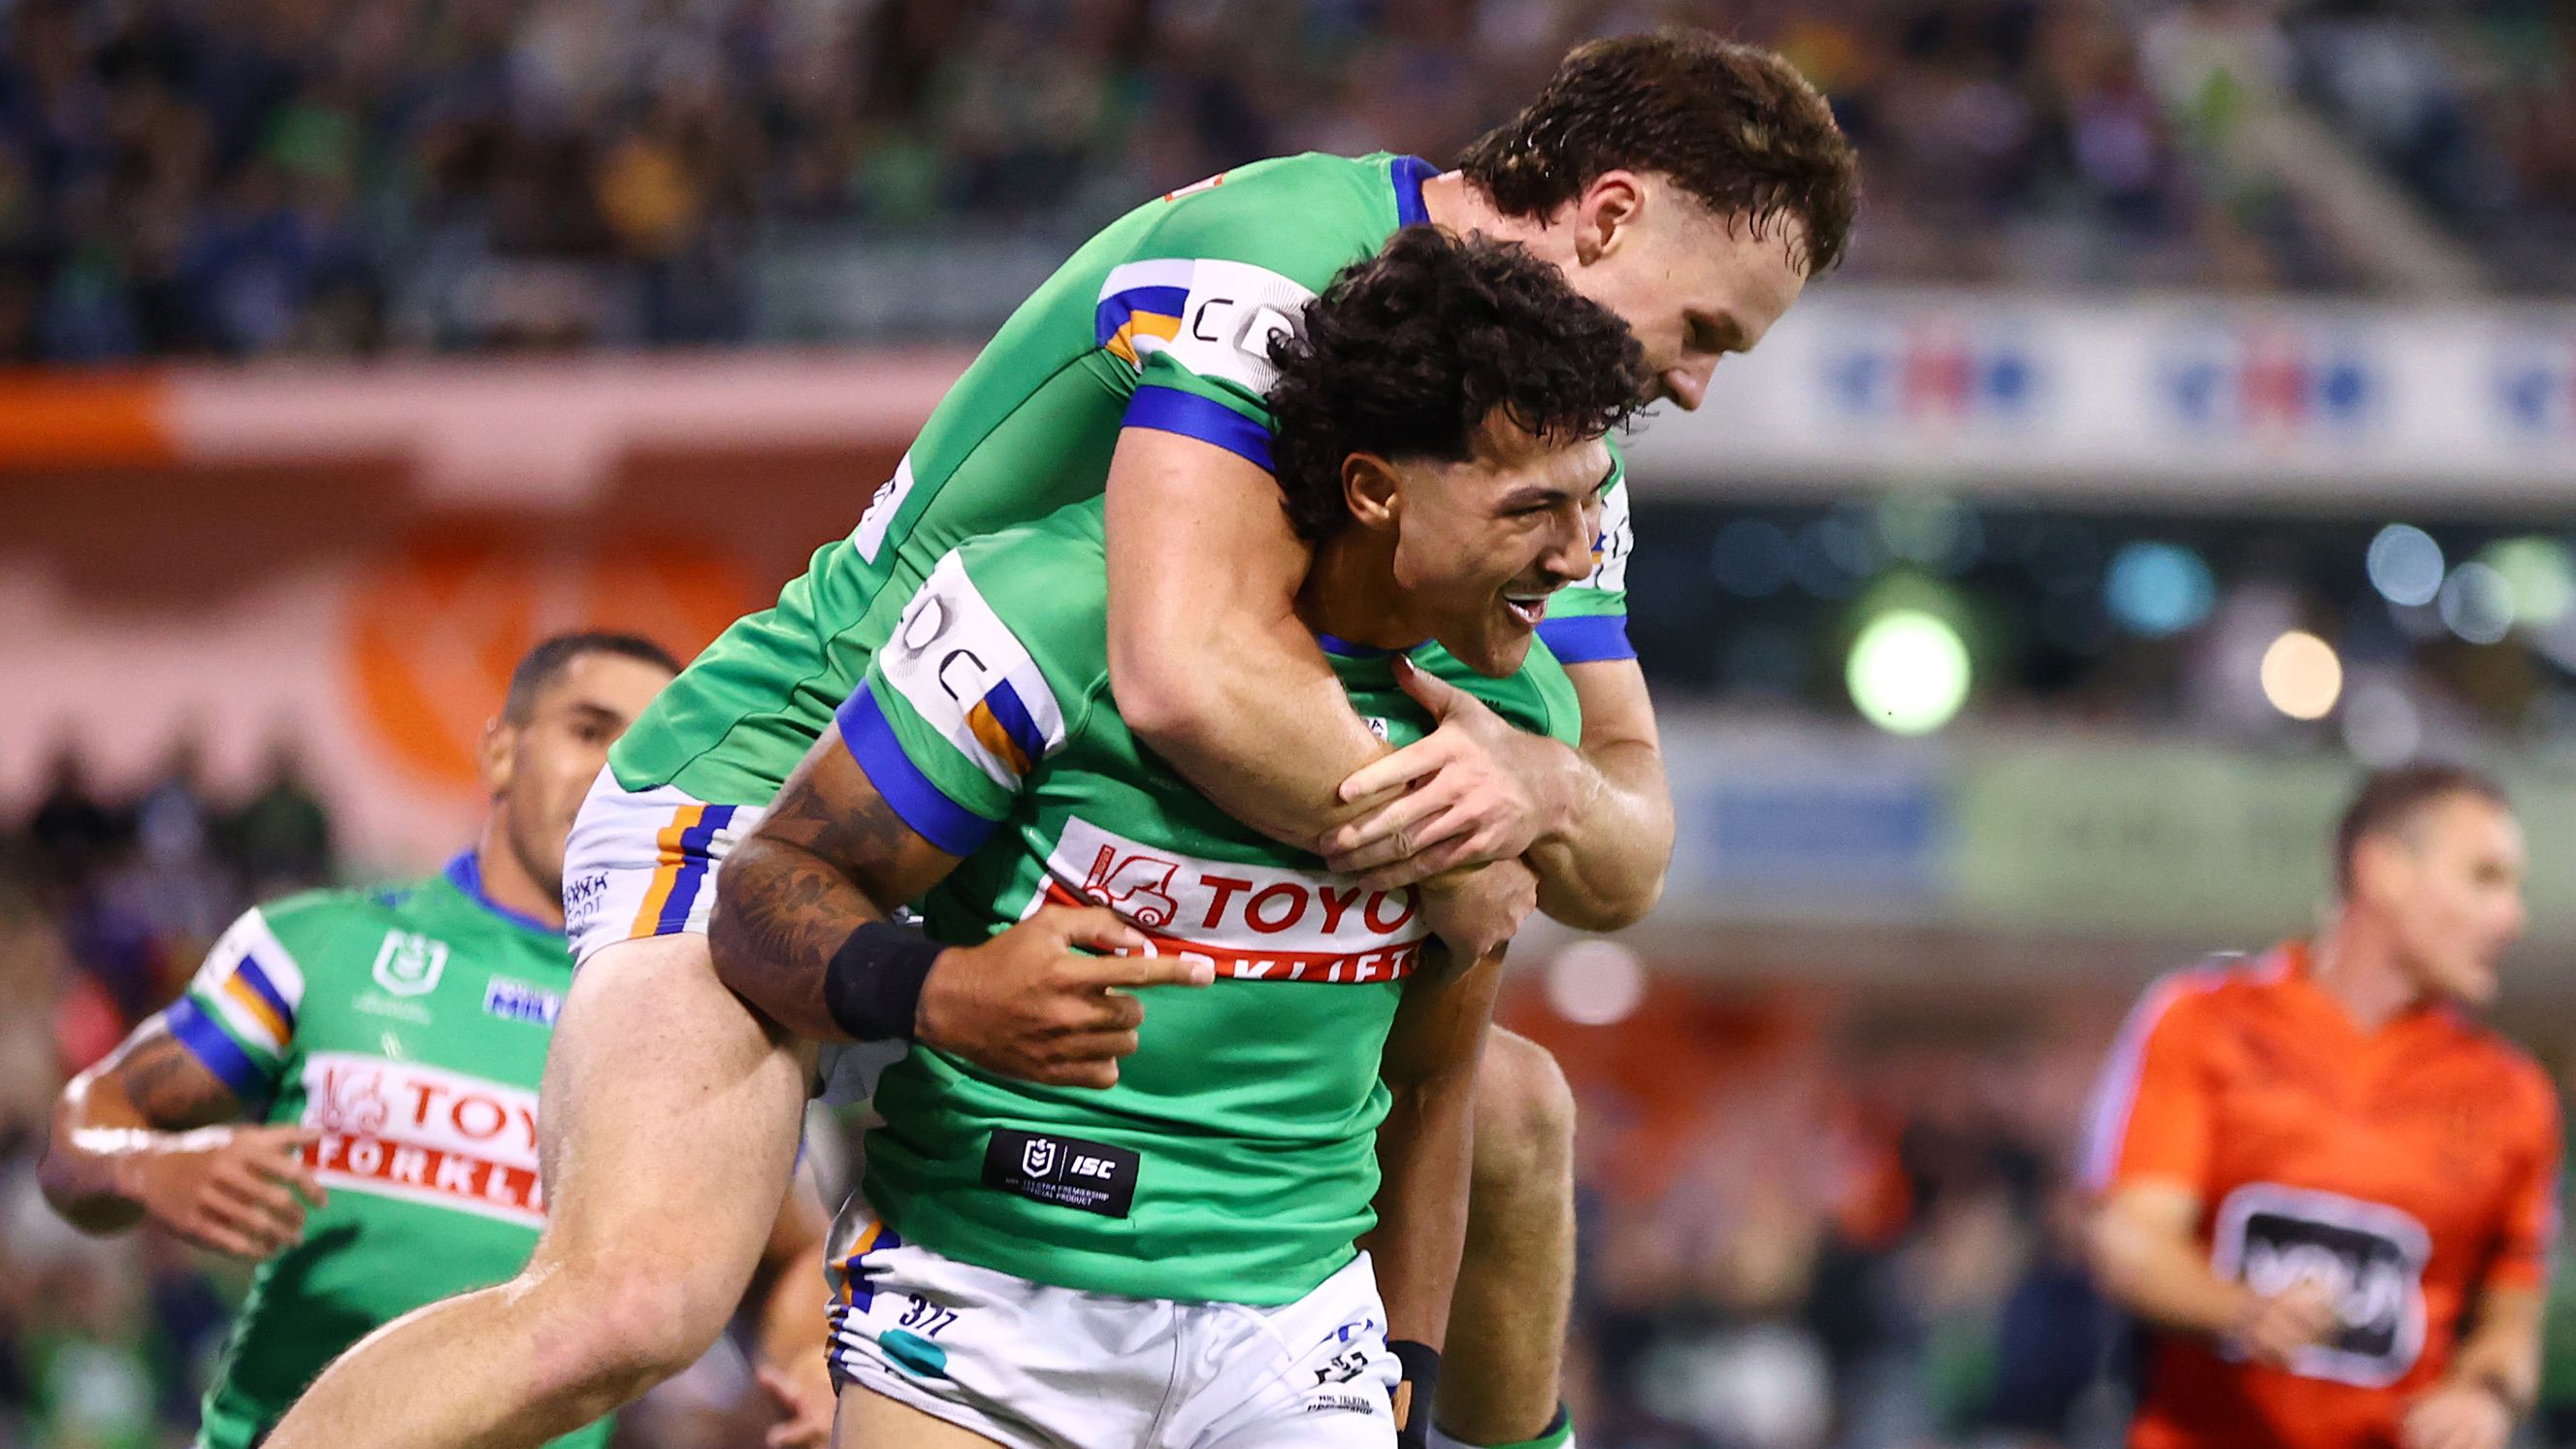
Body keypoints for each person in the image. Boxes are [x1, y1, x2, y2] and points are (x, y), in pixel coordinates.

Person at [265, 32, 1860, 1449]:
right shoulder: (1285, 263)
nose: (1704, 384)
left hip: (1052, 867)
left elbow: (1626, 841)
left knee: (1508, 1114)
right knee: (633, 1298)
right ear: (1609, 214)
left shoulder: (1548, 464)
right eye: (1710, 324)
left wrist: (1544, 781)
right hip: (795, 790)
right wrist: (1482, 831)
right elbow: (1183, 676)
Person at [718, 226, 1636, 1448]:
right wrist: (945, 989)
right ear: (1374, 489)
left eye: (1589, 505)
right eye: (1533, 510)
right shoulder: (1048, 613)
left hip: (1300, 1342)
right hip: (984, 1308)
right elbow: (764, 888)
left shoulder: (1509, 715)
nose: (1573, 558)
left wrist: (1409, 1349)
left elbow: (1432, 1077)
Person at [38, 632, 840, 1449]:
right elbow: (86, 1120)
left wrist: (808, 1357)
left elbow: (788, 1251)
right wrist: (147, 1164)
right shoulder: (316, 946)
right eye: (588, 730)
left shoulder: (700, 1022)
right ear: (499, 751)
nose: (614, 774)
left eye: (649, 750)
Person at [2082, 764, 2560, 1449]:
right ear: (2383, 871)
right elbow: (2130, 1239)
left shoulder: (2512, 1093)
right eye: (2484, 877)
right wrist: (2237, 1306)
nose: (2510, 917)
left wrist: (2482, 1394)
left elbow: (2511, 1319)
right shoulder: (2201, 1022)